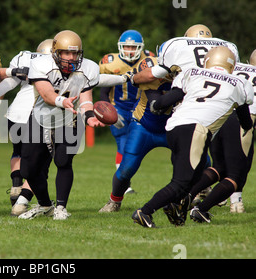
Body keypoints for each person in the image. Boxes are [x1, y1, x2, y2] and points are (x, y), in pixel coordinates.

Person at [132, 46, 254, 228]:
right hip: (197, 129)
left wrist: (156, 103)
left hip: (175, 126)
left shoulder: (192, 72)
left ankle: (174, 207)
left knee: (195, 175)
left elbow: (168, 99)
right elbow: (244, 119)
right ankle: (145, 211)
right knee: (181, 182)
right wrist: (246, 128)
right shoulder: (238, 83)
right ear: (231, 65)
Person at [18, 30, 105, 220]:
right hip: (41, 117)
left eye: (75, 53)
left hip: (69, 118)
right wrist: (61, 101)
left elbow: (85, 99)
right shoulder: (41, 64)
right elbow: (46, 94)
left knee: (63, 161)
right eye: (67, 53)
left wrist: (89, 115)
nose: (71, 58)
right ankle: (44, 205)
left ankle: (61, 207)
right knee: (28, 169)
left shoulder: (88, 68)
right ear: (57, 53)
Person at [185, 48, 256, 219]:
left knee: (219, 167)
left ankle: (185, 196)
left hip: (216, 117)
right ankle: (232, 203)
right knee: (237, 172)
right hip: (241, 120)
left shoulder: (233, 67)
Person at [98, 56, 173, 213]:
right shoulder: (149, 65)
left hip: (172, 125)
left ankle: (199, 192)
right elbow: (155, 104)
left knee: (200, 160)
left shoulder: (187, 72)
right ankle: (115, 200)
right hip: (143, 125)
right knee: (127, 168)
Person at [0, 38, 53, 216]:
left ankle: (16, 185)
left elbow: (10, 82)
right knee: (41, 164)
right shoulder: (54, 65)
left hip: (15, 115)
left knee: (18, 152)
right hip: (37, 116)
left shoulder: (25, 57)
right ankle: (22, 201)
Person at [98, 30, 156, 195]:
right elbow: (104, 91)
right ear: (120, 47)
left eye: (133, 47)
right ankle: (125, 185)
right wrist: (107, 111)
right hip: (119, 108)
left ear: (140, 48)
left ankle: (124, 182)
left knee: (135, 145)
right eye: (127, 47)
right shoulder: (110, 62)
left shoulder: (149, 60)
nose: (130, 50)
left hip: (140, 107)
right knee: (123, 142)